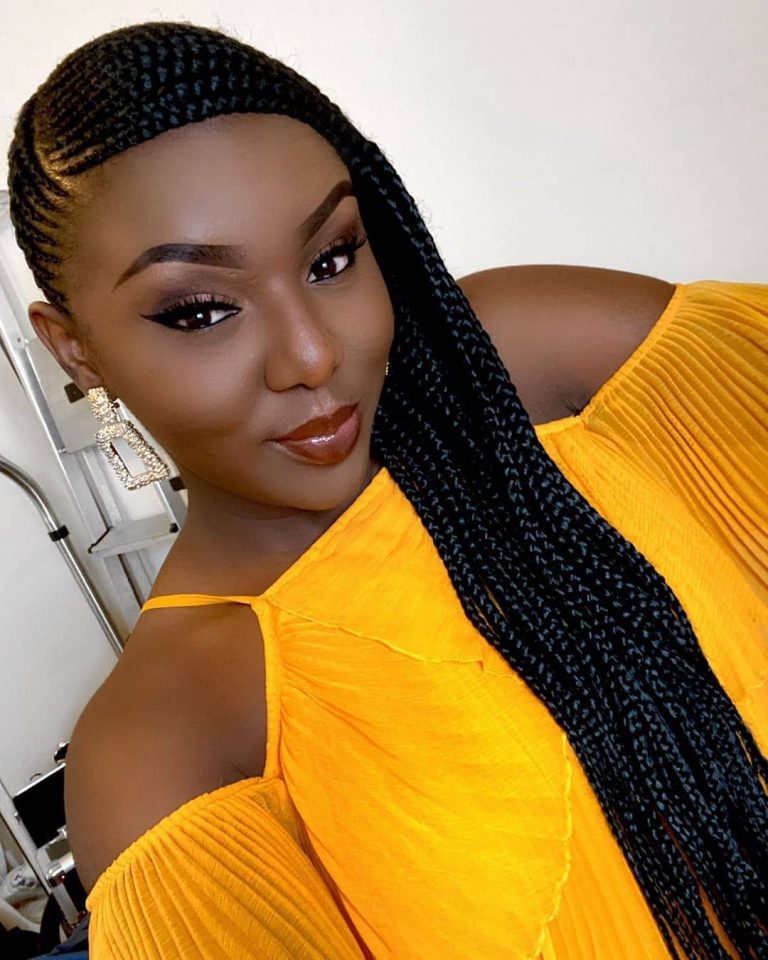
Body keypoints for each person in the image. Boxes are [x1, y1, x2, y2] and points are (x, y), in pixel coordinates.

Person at [6, 20, 766, 960]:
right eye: (200, 311)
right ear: (73, 347)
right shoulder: (167, 739)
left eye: (331, 259)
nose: (312, 353)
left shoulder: (526, 363)